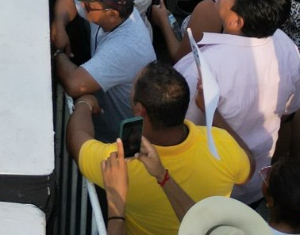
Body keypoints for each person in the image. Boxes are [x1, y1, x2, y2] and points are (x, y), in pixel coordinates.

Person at [67, 62, 252, 235]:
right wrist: (212, 113)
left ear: (140, 111)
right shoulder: (222, 144)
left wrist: (85, 103)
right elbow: (249, 168)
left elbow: (76, 138)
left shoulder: (120, 162)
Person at [173, 0, 300, 203]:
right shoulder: (287, 47)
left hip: (208, 190)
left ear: (236, 21)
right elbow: (289, 113)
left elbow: (178, 130)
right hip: (255, 186)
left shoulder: (201, 69)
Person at [45, 0, 156, 140]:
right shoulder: (114, 9)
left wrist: (56, 52)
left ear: (111, 14)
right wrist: (59, 25)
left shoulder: (125, 47)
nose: (82, 4)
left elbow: (75, 84)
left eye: (88, 4)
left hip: (116, 140)